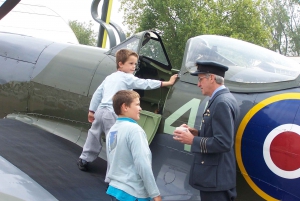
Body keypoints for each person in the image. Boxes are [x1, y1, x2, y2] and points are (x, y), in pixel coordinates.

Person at [77, 49, 178, 171]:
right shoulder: (127, 78)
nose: (134, 67)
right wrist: (167, 83)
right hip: (112, 114)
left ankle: (84, 159)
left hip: (100, 112)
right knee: (114, 143)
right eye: (131, 63)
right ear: (120, 64)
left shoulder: (109, 77)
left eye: (135, 64)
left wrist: (92, 111)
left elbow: (98, 94)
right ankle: (113, 173)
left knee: (93, 136)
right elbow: (145, 83)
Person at [173, 61, 239, 201]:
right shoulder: (223, 98)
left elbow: (224, 142)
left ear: (211, 78)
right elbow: (217, 133)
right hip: (216, 178)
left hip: (216, 179)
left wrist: (192, 140)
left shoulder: (221, 102)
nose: (198, 84)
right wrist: (196, 133)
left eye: (200, 79)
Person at [106, 90, 161, 201]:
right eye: (137, 104)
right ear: (125, 107)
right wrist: (155, 194)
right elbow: (142, 164)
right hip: (132, 194)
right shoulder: (135, 130)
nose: (140, 108)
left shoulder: (113, 130)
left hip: (114, 189)